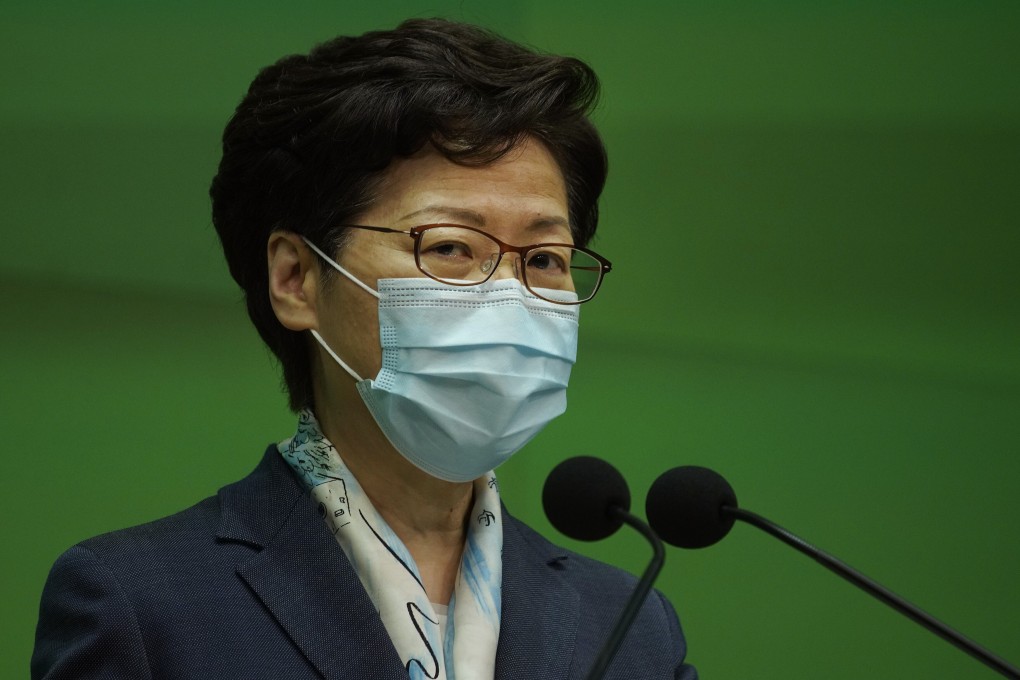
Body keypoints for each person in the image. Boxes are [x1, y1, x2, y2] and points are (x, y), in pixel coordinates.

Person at [32, 18, 697, 679]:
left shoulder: (631, 623)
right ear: (296, 278)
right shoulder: (144, 606)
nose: (510, 295)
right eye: (450, 248)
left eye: (546, 258)